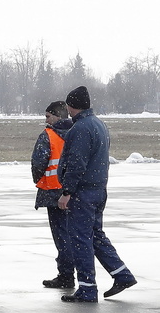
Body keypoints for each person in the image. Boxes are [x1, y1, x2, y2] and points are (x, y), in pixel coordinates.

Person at [57, 86, 137, 302]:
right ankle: (122, 274)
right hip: (98, 190)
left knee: (81, 239)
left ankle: (87, 288)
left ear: (71, 105)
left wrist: (67, 192)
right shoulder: (99, 124)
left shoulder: (80, 129)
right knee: (96, 236)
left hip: (83, 193)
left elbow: (76, 164)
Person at [32, 100, 75, 289]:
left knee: (61, 236)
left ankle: (66, 275)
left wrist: (38, 179)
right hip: (73, 191)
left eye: (49, 116)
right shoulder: (77, 133)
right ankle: (78, 274)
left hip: (53, 192)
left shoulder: (48, 136)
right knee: (74, 235)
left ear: (58, 116)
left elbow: (38, 163)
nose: (46, 120)